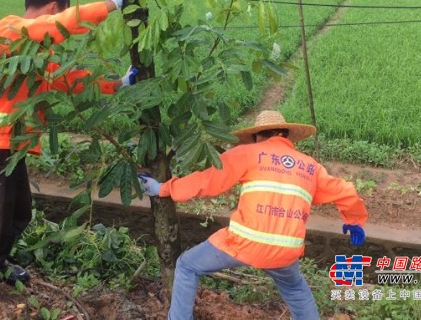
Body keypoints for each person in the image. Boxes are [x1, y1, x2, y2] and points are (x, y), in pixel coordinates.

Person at [0, 0, 137, 302]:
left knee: (20, 215)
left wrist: (118, 83)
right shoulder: (9, 30)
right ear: (53, 8)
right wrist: (110, 4)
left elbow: (69, 79)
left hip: (10, 150)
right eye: (58, 16)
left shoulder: (35, 58)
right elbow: (54, 27)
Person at [138, 110, 369, 320]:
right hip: (285, 251)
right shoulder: (310, 166)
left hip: (243, 244)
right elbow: (346, 192)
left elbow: (208, 180)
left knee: (187, 266)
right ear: (286, 136)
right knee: (296, 291)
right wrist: (354, 221)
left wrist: (163, 189)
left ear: (258, 135)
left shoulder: (248, 154)